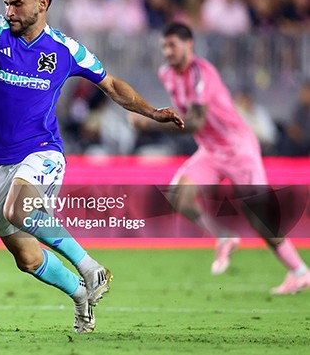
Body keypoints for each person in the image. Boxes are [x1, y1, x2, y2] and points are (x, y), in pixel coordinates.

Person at [0, 0, 184, 333]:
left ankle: (91, 269)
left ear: (42, 4)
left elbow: (112, 85)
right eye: (7, 3)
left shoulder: (66, 50)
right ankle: (80, 294)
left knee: (19, 209)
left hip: (42, 151)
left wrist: (152, 112)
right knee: (26, 258)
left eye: (17, 4)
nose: (9, 11)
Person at [129, 21, 309, 295]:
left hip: (238, 149)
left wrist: (149, 123)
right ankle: (224, 237)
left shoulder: (203, 73)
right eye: (164, 46)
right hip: (211, 150)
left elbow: (195, 122)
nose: (167, 51)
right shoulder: (166, 73)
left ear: (189, 44)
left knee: (259, 218)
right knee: (178, 195)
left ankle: (299, 271)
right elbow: (186, 114)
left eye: (172, 45)